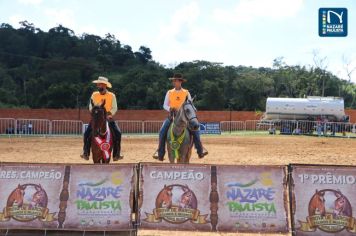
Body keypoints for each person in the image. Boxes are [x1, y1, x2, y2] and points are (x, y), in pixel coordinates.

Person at [153, 73, 208, 161]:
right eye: (173, 81)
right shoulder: (169, 92)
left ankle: (200, 149)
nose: (174, 82)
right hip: (172, 116)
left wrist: (192, 110)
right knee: (162, 131)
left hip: (184, 117)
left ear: (180, 82)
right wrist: (170, 108)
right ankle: (160, 152)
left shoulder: (186, 92)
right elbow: (164, 105)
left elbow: (190, 104)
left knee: (196, 130)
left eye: (176, 80)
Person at [80, 76, 123, 161]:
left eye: (99, 84)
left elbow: (114, 107)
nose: (98, 86)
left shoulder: (112, 95)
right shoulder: (94, 94)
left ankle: (116, 154)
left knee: (118, 133)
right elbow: (90, 106)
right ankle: (86, 152)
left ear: (104, 85)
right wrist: (94, 113)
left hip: (108, 118)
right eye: (98, 84)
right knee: (86, 134)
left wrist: (109, 115)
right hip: (96, 119)